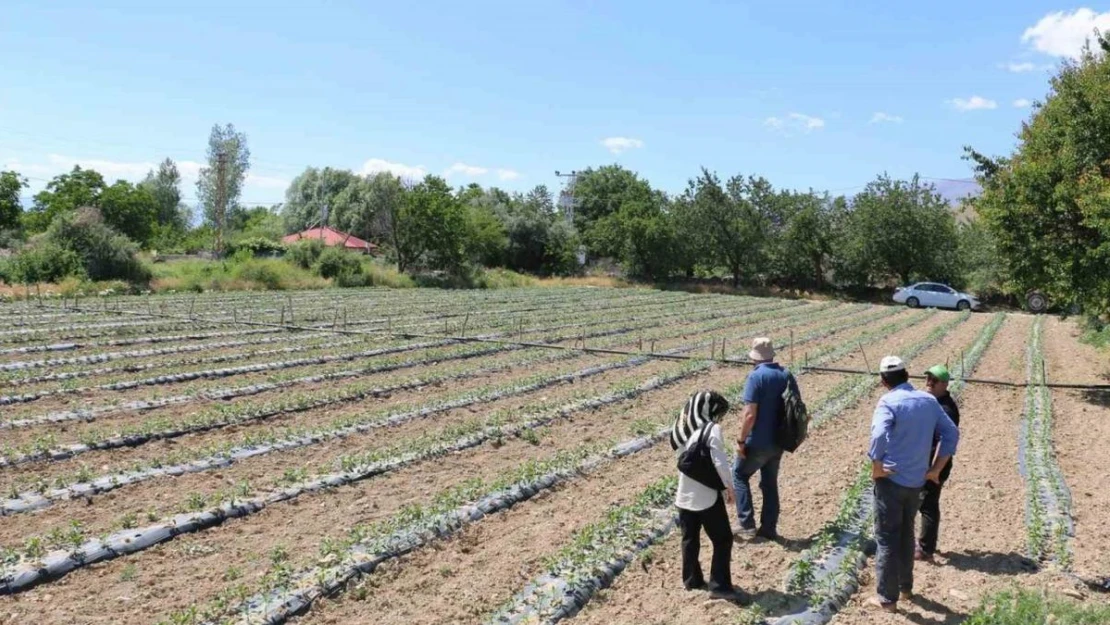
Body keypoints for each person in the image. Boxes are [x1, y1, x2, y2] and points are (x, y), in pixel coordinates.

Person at [867, 356, 960, 613]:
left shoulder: (888, 401)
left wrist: (876, 467)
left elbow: (878, 435)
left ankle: (887, 599)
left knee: (886, 539)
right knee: (907, 534)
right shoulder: (929, 401)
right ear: (907, 375)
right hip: (916, 481)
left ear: (884, 381)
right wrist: (935, 470)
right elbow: (951, 433)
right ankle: (906, 588)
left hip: (892, 480)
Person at [672, 390, 744, 601]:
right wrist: (728, 488)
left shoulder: (685, 431)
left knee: (689, 539)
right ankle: (720, 586)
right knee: (722, 539)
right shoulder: (712, 429)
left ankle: (691, 580)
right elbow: (719, 461)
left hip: (683, 496)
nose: (720, 417)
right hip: (706, 497)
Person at [732, 337, 799, 541]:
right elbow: (797, 408)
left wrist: (741, 440)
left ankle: (746, 523)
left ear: (755, 358)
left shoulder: (756, 377)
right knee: (769, 483)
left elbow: (750, 414)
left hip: (757, 441)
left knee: (739, 475)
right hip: (778, 441)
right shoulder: (786, 375)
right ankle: (769, 528)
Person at [917, 364, 961, 562]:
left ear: (944, 384)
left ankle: (926, 549)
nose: (928, 383)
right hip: (925, 464)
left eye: (933, 381)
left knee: (928, 505)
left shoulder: (946, 409)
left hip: (934, 467)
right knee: (923, 503)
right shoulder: (934, 403)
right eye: (927, 379)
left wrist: (934, 470)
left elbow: (946, 443)